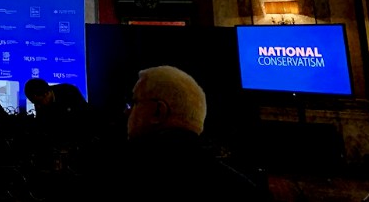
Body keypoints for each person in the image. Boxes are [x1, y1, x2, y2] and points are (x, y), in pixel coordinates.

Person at [111, 65, 267, 201]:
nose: (126, 112)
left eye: (134, 102)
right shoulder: (247, 191)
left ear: (159, 111)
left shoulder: (115, 175)